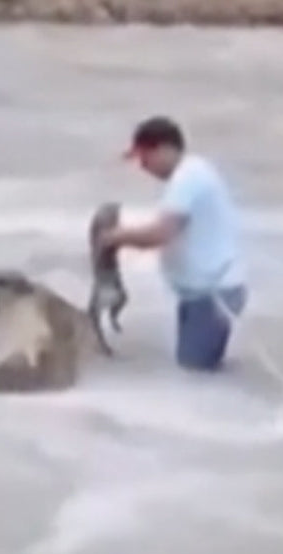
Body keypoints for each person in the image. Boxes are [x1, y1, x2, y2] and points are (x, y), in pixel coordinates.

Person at [99, 116, 248, 372]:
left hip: (212, 295)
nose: (143, 167)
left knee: (196, 372)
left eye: (145, 158)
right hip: (204, 293)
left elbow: (161, 233)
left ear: (165, 149)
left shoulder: (188, 179)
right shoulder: (193, 173)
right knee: (197, 370)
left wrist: (115, 237)